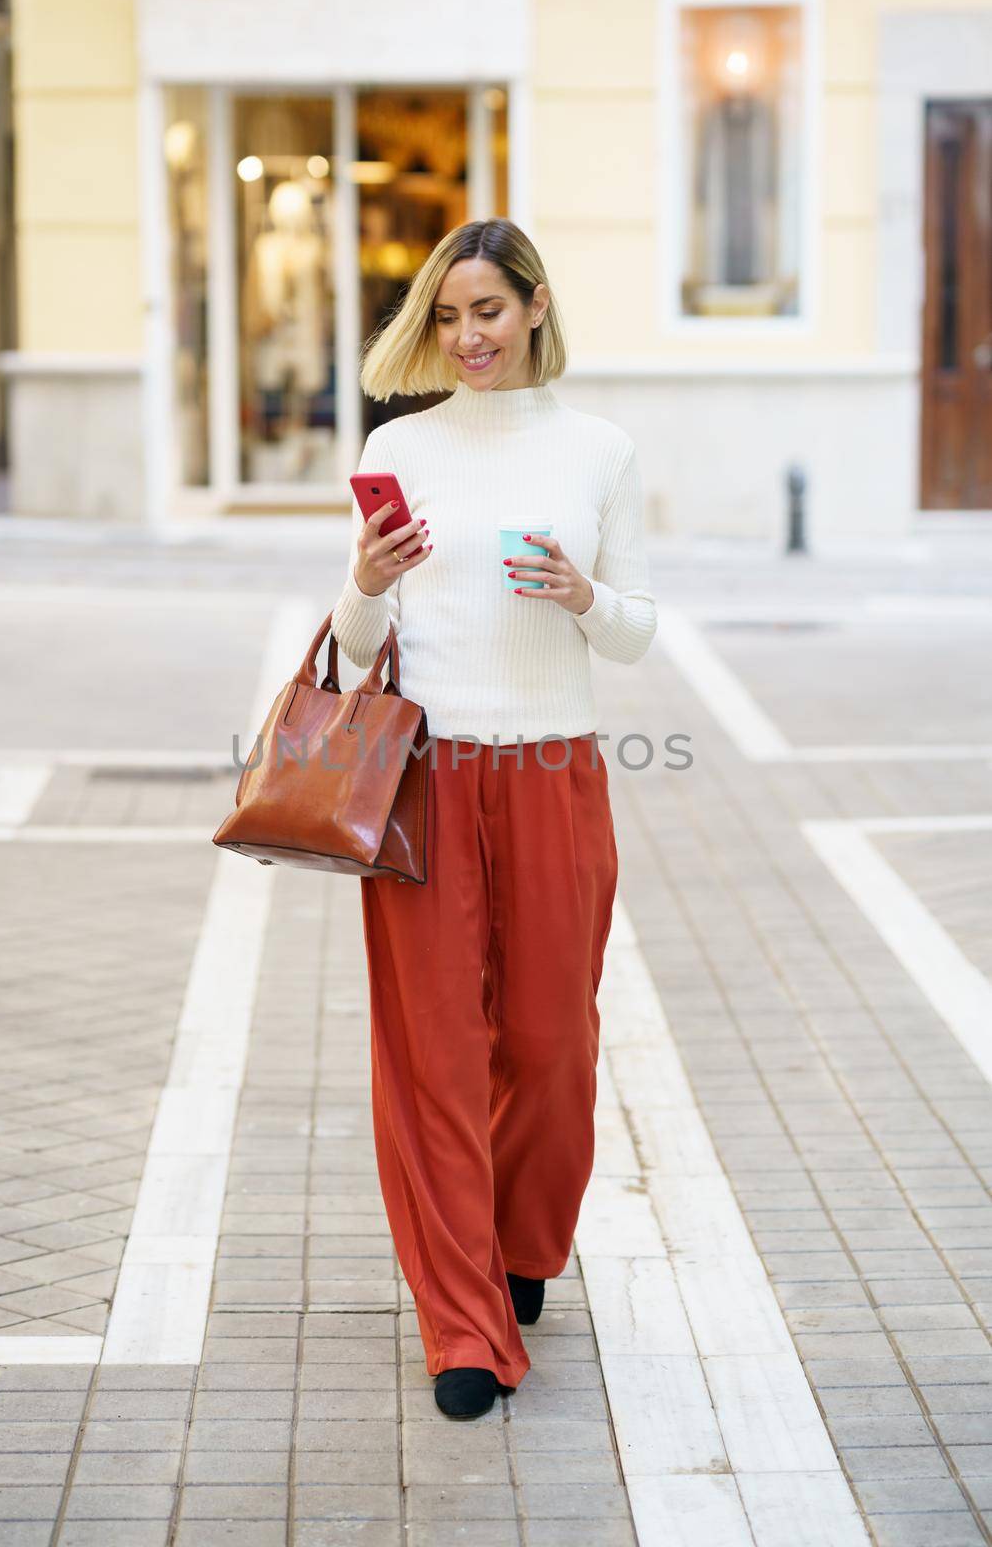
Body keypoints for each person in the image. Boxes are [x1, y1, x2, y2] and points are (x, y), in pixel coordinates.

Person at [330, 218, 657, 1420]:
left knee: (550, 1043)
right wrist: (364, 579)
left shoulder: (599, 449)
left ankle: (522, 1243)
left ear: (531, 306)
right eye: (448, 315)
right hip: (423, 774)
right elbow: (357, 641)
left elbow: (636, 631)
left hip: (552, 772)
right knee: (432, 1057)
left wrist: (584, 596)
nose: (467, 335)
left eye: (487, 310)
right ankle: (461, 1323)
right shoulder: (395, 442)